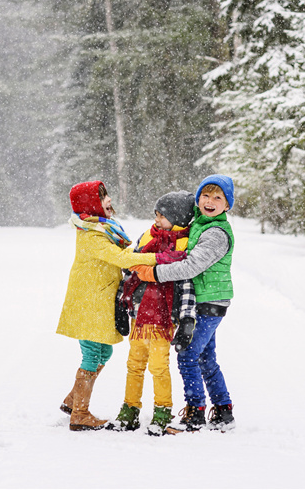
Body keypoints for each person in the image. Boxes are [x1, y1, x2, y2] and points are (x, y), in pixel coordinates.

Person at [131, 174, 237, 432]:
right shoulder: (200, 224)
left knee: (188, 355)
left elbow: (191, 266)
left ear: (227, 206)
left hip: (209, 301)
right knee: (205, 358)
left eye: (218, 197)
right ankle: (224, 411)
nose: (210, 201)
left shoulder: (216, 233)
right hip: (206, 300)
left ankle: (195, 412)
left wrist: (153, 273)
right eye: (205, 195)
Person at [57, 180, 157, 431]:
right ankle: (80, 414)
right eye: (102, 198)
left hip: (99, 301)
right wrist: (158, 258)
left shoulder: (106, 228)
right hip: (88, 302)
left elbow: (125, 249)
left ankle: (72, 401)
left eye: (107, 195)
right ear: (91, 206)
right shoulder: (91, 235)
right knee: (91, 355)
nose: (109, 200)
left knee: (106, 352)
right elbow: (122, 257)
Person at [110, 191, 195, 436]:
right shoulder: (148, 236)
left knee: (159, 366)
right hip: (138, 315)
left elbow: (187, 283)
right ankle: (130, 409)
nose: (156, 220)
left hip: (163, 318)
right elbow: (130, 268)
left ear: (178, 218)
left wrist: (187, 317)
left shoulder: (184, 246)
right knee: (134, 364)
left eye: (162, 216)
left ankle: (162, 410)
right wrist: (120, 303)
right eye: (156, 214)